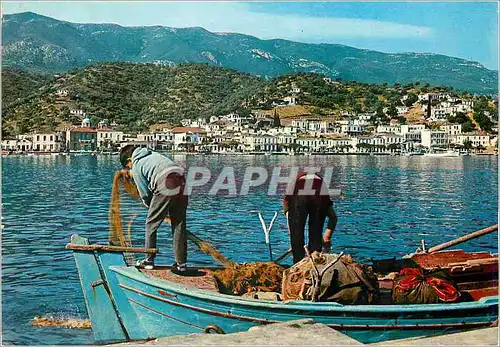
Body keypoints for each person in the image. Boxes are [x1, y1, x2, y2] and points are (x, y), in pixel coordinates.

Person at [119, 145, 188, 272]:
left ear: (130, 160)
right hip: (181, 179)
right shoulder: (152, 155)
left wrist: (152, 208)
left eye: (128, 167)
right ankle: (181, 264)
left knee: (151, 223)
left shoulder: (137, 164)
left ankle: (148, 260)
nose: (130, 169)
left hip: (165, 181)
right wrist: (162, 208)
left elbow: (145, 194)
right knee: (178, 223)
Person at [284, 172, 338, 264]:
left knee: (296, 234)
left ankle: (297, 262)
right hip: (319, 192)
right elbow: (333, 218)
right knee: (316, 234)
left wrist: (294, 242)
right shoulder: (322, 189)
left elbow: (291, 222)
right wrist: (326, 238)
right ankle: (315, 260)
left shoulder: (289, 197)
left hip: (300, 193)